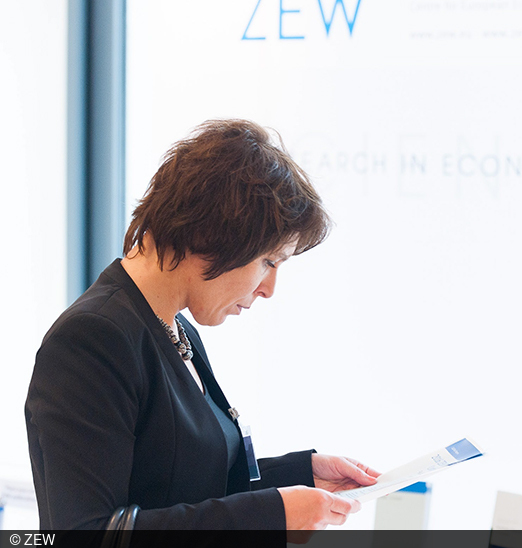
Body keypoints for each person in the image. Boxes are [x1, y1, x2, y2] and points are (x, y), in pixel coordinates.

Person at [25, 119, 379, 530]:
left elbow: (184, 484)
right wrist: (268, 515)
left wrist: (299, 477)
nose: (269, 289)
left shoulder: (173, 326)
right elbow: (87, 532)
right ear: (212, 233)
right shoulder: (93, 339)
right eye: (269, 261)